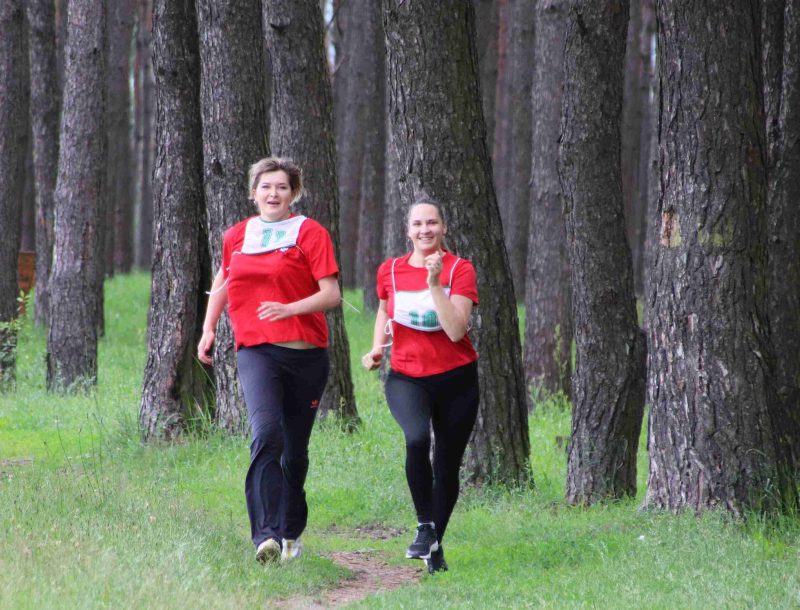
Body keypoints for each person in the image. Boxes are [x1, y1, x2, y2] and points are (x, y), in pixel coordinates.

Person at [198, 157, 340, 564]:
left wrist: (290, 309)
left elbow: (330, 294)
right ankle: (266, 537)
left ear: (293, 193)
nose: (273, 193)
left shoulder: (309, 233)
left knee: (294, 451)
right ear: (253, 192)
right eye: (266, 186)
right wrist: (209, 328)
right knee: (266, 435)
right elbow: (223, 279)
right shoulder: (237, 235)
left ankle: (291, 528)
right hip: (257, 351)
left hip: (306, 355)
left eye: (281, 187)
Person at [361, 200, 479, 574]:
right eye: (418, 224)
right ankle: (425, 526)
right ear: (407, 230)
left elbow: (456, 329)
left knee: (446, 466)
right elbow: (384, 308)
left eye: (432, 223)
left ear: (444, 228)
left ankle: (434, 546)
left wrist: (434, 284)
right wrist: (377, 346)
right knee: (415, 439)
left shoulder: (460, 270)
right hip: (407, 376)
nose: (425, 230)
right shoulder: (390, 270)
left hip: (457, 378)